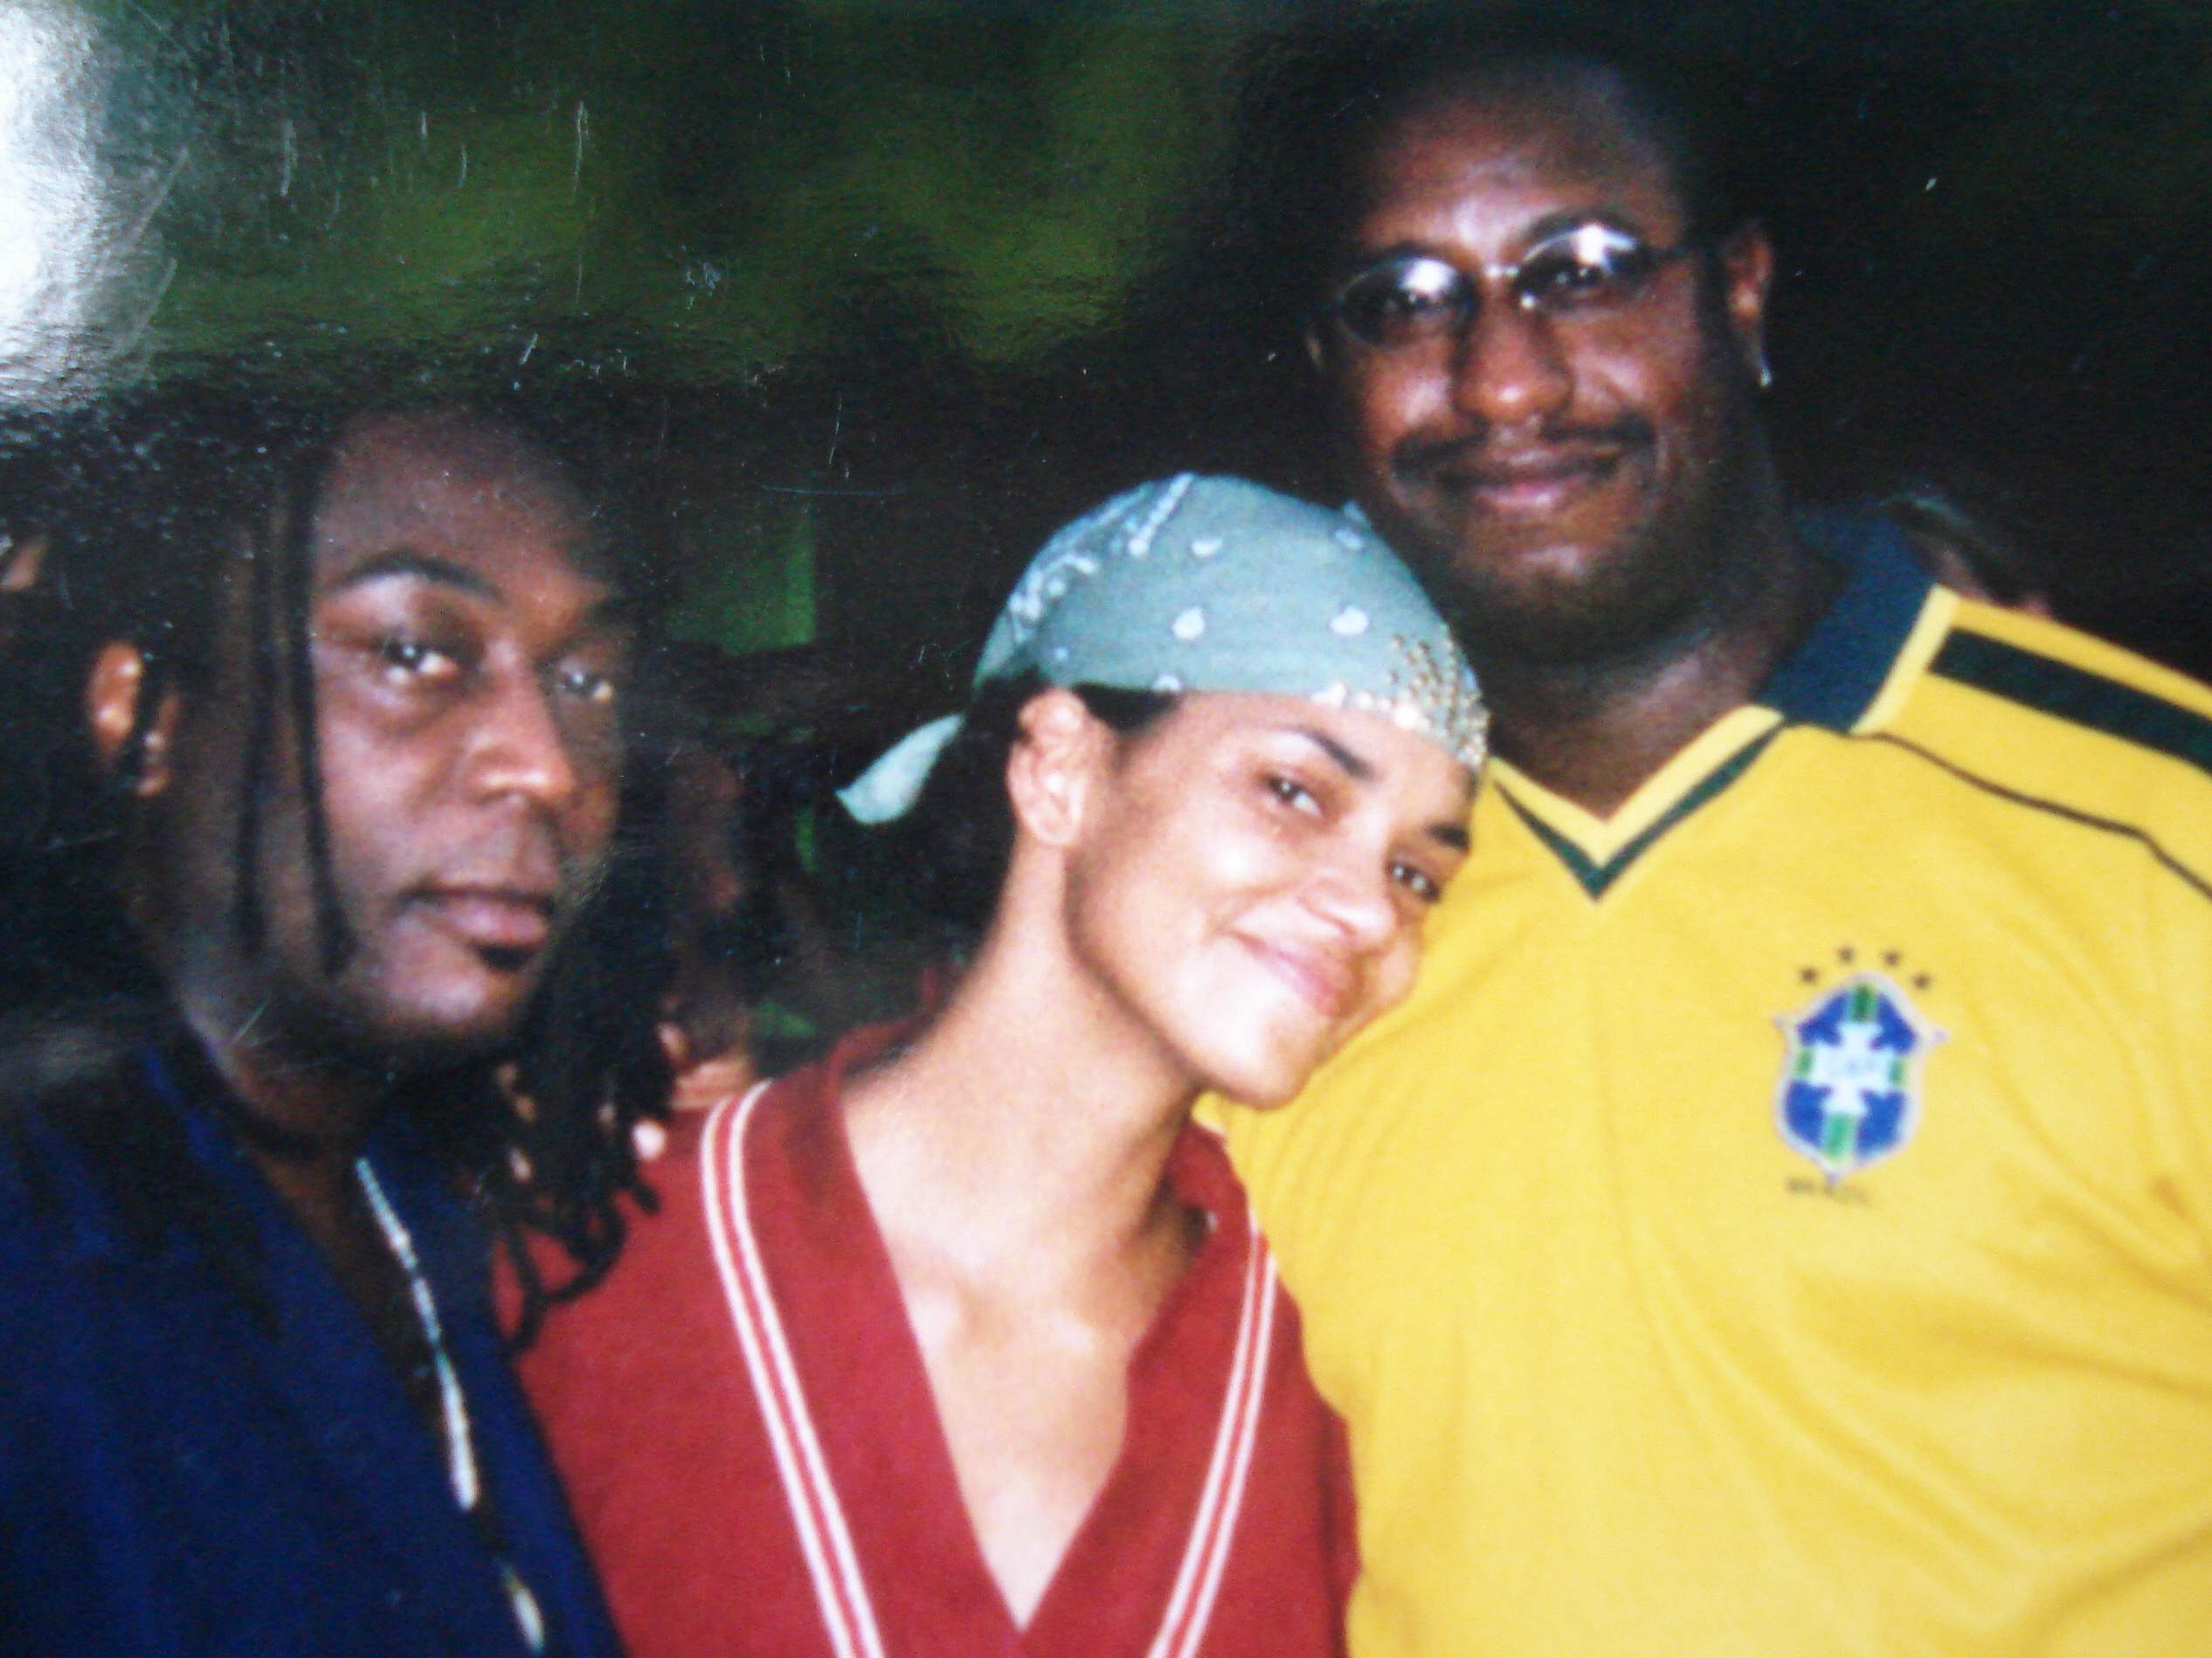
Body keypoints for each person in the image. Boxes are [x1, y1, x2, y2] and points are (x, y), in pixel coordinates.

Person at [1214, 20, 2212, 1656]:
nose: (1503, 377)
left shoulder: (2157, 836)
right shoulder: (1270, 925)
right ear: (1325, 366)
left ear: (1738, 293)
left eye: (1582, 271)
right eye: (1402, 300)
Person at [515, 474, 1489, 1658]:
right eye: (1294, 790)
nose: (1367, 912)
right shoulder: (614, 1246)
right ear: (1062, 766)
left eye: (1415, 873)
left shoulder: (1297, 1370)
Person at [0, 389, 669, 1657]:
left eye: (585, 677)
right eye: (417, 651)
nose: (547, 763)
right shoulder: (41, 1248)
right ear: (142, 716)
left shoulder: (422, 1215)